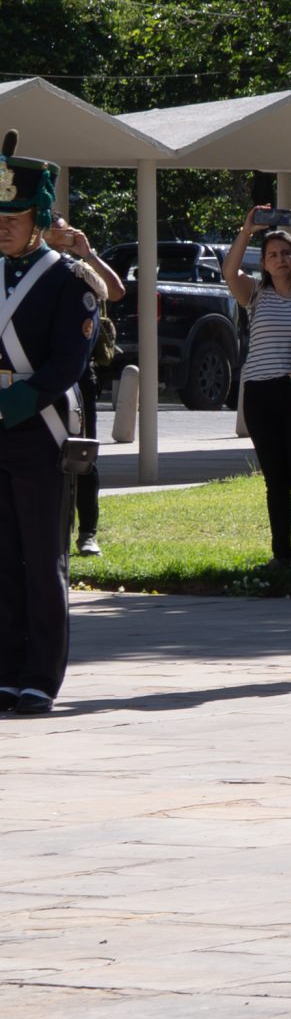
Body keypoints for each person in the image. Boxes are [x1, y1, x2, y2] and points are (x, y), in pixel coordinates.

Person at [0, 130, 104, 716]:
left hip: (40, 430)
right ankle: (6, 669)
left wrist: (18, 401)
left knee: (42, 559)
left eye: (14, 215)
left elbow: (70, 360)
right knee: (2, 558)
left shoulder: (69, 278)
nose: (3, 225)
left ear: (38, 218)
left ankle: (40, 676)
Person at [224, 215, 291, 566]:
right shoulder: (256, 293)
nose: (280, 259)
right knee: (276, 478)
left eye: (286, 252)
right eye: (272, 254)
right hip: (260, 393)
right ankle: (280, 554)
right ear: (264, 263)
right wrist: (246, 232)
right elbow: (230, 272)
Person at [45, 219, 120, 560]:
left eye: (65, 229)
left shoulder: (79, 270)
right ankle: (48, 531)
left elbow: (116, 291)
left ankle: (87, 532)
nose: (62, 235)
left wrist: (87, 253)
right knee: (40, 454)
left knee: (83, 454)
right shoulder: (31, 271)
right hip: (37, 376)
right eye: (54, 229)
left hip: (78, 376)